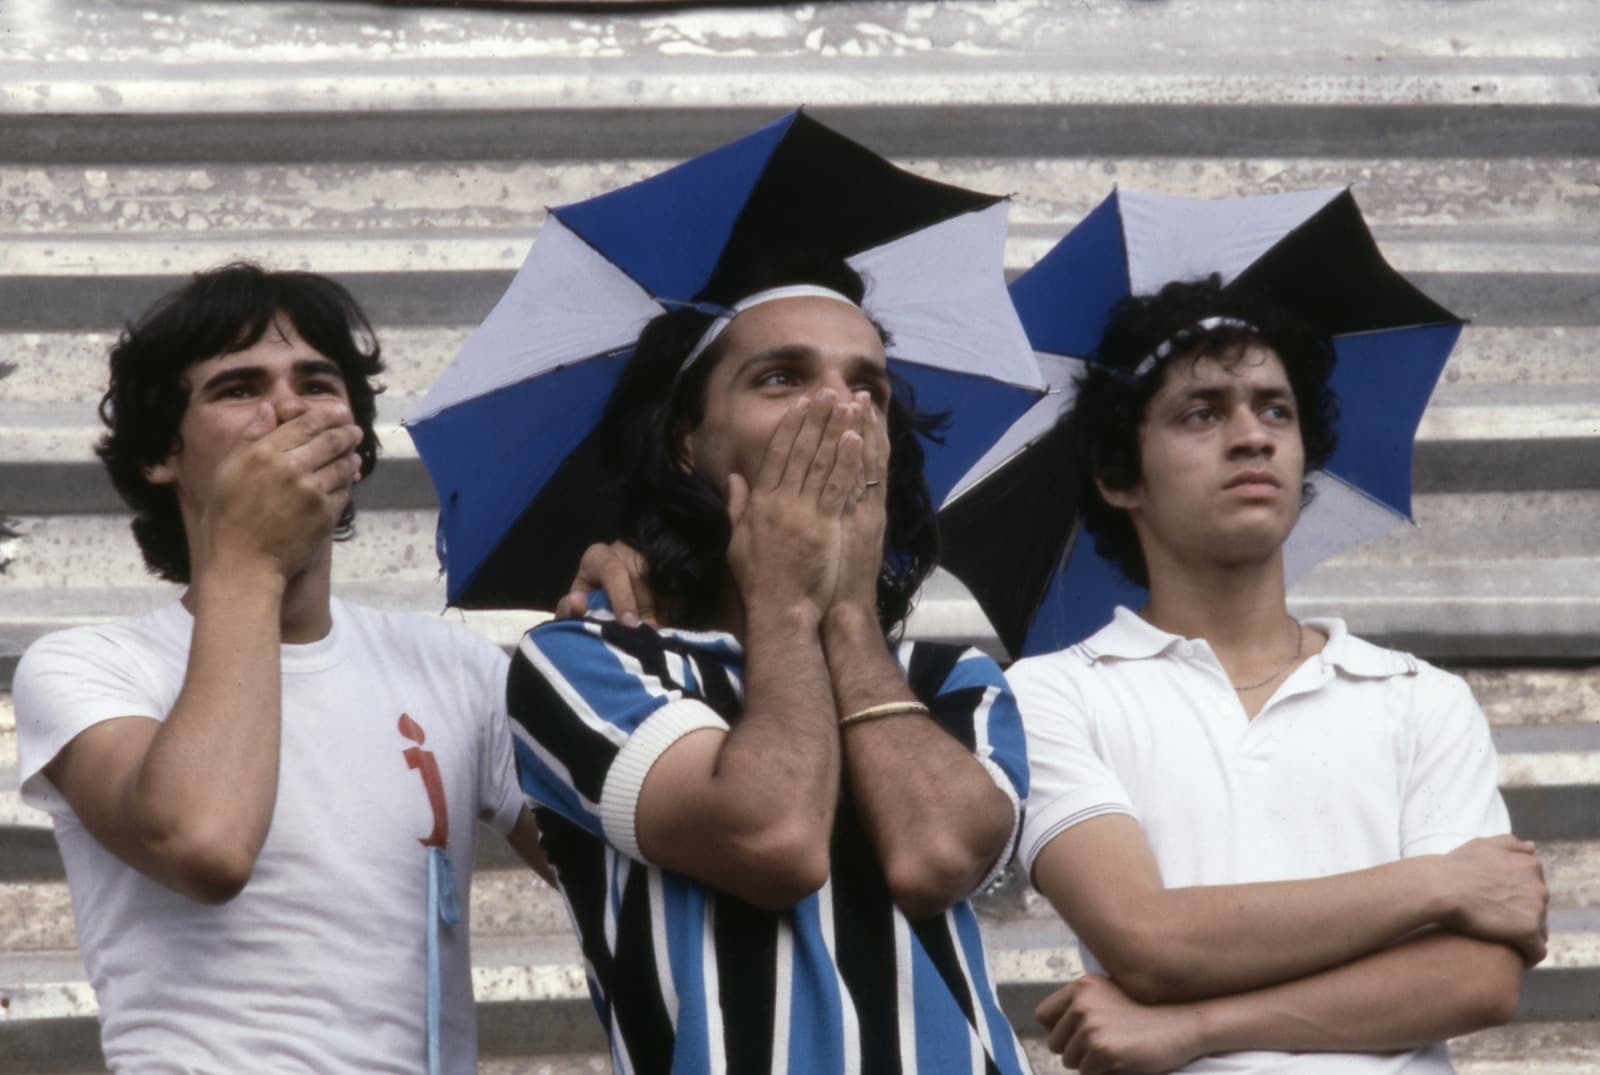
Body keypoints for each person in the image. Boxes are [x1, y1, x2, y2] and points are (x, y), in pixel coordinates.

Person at [13, 263, 550, 1073]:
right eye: (238, 388)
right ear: (165, 453)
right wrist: (249, 559)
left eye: (317, 383)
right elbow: (205, 842)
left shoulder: (458, 667)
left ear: (358, 445)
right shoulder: (91, 666)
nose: (289, 408)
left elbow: (626, 870)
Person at [1008, 276, 1548, 1074]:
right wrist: (1440, 882)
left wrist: (1195, 1028)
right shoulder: (1053, 693)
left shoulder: (1419, 697)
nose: (1251, 435)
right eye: (1202, 412)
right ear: (1121, 477)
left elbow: (1477, 979)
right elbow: (1151, 940)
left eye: (1275, 409)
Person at [508, 258, 1033, 1074]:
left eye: (870, 388)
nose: (837, 408)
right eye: (782, 377)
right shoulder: (585, 658)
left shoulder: (951, 678)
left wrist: (850, 613)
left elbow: (936, 855)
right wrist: (787, 605)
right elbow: (776, 839)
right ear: (687, 442)